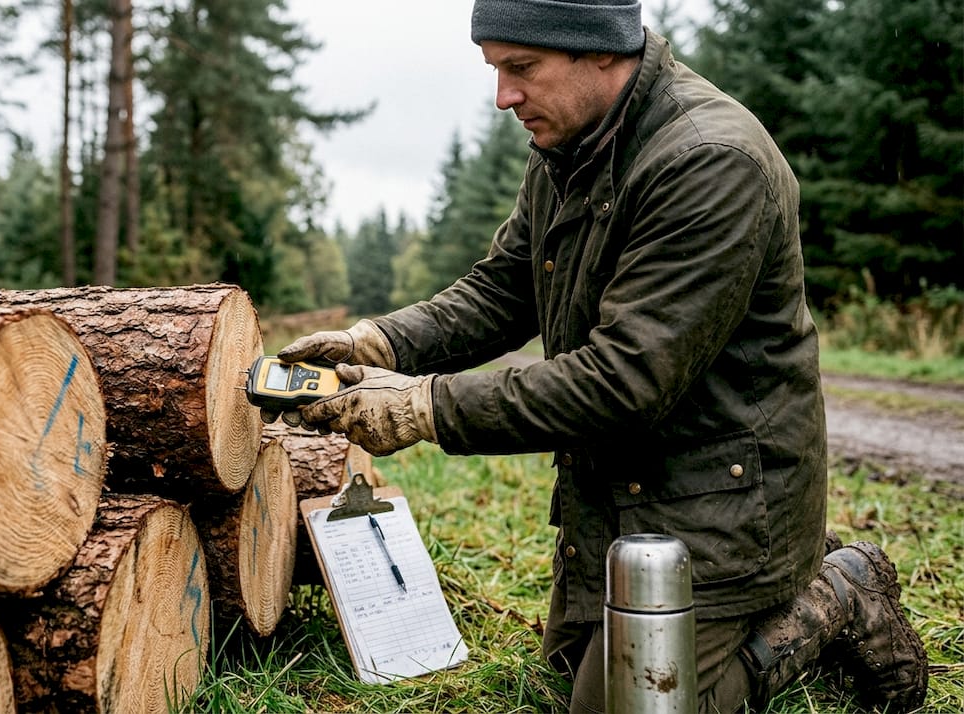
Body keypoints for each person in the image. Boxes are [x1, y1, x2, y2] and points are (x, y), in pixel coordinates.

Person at [270, 0, 930, 711]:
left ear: (602, 52)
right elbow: (504, 288)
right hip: (621, 499)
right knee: (577, 672)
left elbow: (622, 381)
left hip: (724, 507)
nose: (504, 97)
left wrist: (423, 406)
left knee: (625, 708)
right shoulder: (571, 142)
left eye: (521, 69)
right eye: (495, 70)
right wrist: (383, 341)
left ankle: (835, 593)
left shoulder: (710, 161)